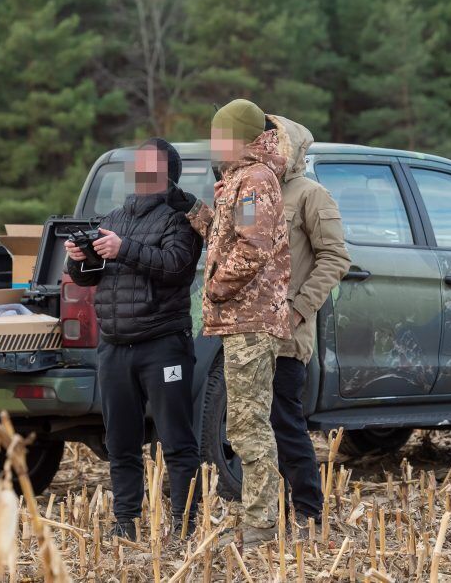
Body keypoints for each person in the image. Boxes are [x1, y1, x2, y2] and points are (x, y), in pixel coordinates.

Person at [65, 138, 203, 540]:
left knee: (176, 440)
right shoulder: (114, 216)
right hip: (114, 347)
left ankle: (184, 525)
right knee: (120, 444)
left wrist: (124, 249)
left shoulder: (180, 220)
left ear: (166, 172)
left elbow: (177, 267)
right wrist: (83, 260)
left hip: (163, 344)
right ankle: (125, 524)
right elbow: (94, 278)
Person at [171, 98, 291, 548]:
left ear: (239, 138)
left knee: (247, 424)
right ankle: (253, 518)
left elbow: (252, 247)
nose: (213, 143)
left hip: (249, 319)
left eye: (219, 136)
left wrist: (216, 289)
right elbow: (230, 235)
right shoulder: (240, 179)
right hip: (242, 319)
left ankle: (260, 527)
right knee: (243, 423)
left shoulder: (255, 180)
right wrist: (192, 209)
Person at [264, 113, 350, 531]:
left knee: (285, 422)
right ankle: (266, 510)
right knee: (251, 428)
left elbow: (336, 258)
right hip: (249, 333)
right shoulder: (250, 193)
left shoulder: (311, 195)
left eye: (275, 142)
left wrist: (299, 309)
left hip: (286, 336)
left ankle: (309, 510)